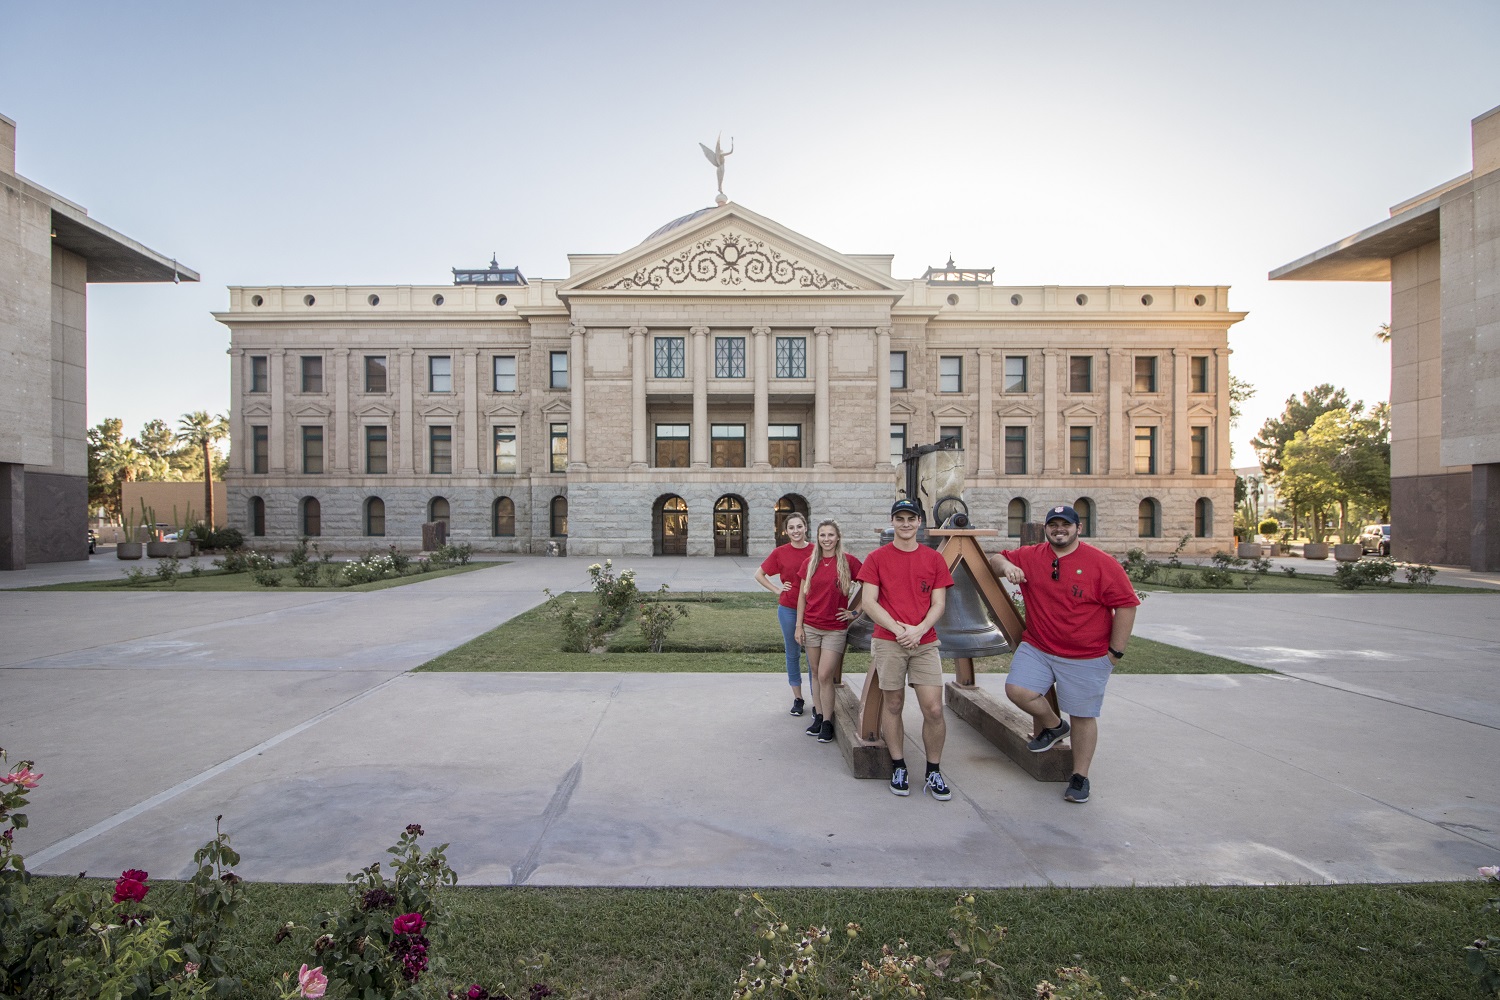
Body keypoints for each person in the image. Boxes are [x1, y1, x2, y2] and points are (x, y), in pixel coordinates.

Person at [987, 503, 1140, 804]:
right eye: (1053, 525)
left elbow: (1126, 605)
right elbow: (995, 559)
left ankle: (1079, 776)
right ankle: (1055, 725)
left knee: (1083, 715)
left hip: (1087, 655)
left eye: (1066, 525)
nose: (1059, 530)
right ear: (1046, 529)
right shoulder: (1031, 555)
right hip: (1039, 647)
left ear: (1078, 528)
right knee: (1017, 690)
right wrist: (1007, 567)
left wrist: (1115, 652)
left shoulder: (1102, 564)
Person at [855, 499, 955, 800]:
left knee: (933, 709)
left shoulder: (934, 559)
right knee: (893, 704)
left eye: (911, 518)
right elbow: (869, 602)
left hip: (924, 642)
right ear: (892, 522)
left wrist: (919, 630)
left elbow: (939, 603)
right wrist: (900, 631)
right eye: (900, 518)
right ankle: (898, 766)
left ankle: (933, 770)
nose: (906, 524)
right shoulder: (876, 558)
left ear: (919, 522)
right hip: (889, 642)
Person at [794, 519, 862, 744]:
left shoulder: (848, 562)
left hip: (834, 629)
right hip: (811, 626)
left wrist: (855, 612)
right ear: (817, 538)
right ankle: (819, 716)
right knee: (815, 673)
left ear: (838, 537)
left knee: (825, 675)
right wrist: (799, 626)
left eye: (830, 535)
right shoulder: (810, 563)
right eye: (822, 535)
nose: (826, 539)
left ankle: (828, 721)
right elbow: (802, 597)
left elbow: (871, 585)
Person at [755, 512, 813, 715]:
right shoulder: (780, 552)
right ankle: (798, 698)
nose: (796, 531)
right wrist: (777, 589)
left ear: (805, 527)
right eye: (791, 528)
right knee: (792, 653)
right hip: (788, 608)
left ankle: (818, 700)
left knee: (813, 657)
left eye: (799, 526)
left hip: (813, 610)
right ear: (786, 531)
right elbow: (759, 574)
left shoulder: (817, 550)